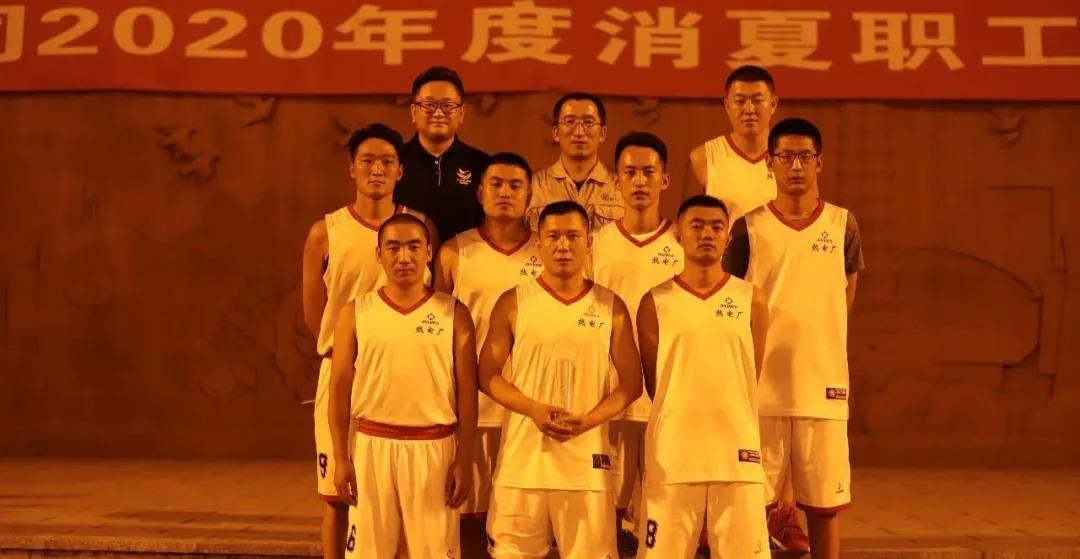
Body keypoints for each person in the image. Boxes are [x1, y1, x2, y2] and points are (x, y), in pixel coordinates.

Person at [723, 118, 865, 559]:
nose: (796, 166)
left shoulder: (843, 224)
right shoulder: (748, 228)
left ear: (819, 162)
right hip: (760, 391)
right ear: (770, 162)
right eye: (786, 156)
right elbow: (730, 301)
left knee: (824, 508)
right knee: (752, 506)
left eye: (805, 156)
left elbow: (845, 296)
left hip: (823, 389)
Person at [479, 201, 643, 558]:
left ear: (589, 242)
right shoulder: (513, 302)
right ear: (539, 243)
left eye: (573, 236)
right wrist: (532, 408)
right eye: (553, 236)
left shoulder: (610, 306)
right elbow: (486, 374)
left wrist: (590, 420)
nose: (563, 245)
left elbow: (632, 384)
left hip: (586, 466)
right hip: (523, 465)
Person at [300, 123, 426, 559]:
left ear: (400, 170)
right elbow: (315, 314)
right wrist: (347, 356)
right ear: (352, 168)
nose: (377, 169)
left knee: (403, 495)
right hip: (344, 374)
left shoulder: (419, 227)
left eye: (387, 161)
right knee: (338, 491)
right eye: (368, 161)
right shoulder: (325, 232)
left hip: (404, 377)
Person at [328, 213, 478, 558]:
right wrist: (340, 457)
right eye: (393, 248)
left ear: (428, 252)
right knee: (368, 552)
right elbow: (339, 389)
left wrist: (464, 457)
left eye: (413, 247)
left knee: (434, 552)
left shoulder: (454, 313)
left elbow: (467, 392)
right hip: (372, 446)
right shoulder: (355, 313)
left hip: (434, 448)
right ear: (378, 254)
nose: (404, 257)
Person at [636, 194, 769, 557]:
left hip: (737, 452)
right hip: (673, 455)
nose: (707, 234)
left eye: (716, 227)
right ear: (678, 234)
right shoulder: (654, 302)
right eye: (696, 226)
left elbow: (750, 373)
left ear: (728, 237)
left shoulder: (751, 298)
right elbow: (656, 383)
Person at [434, 151, 542, 554]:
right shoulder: (454, 252)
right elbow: (438, 334)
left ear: (530, 196)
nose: (505, 193)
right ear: (480, 193)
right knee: (468, 517)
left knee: (525, 526)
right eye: (496, 184)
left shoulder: (549, 251)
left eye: (515, 185)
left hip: (531, 409)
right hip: (472, 410)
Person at [590, 131, 682, 544]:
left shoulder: (682, 244)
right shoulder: (595, 244)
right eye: (630, 173)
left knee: (662, 512)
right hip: (610, 396)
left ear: (665, 179)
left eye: (649, 172)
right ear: (616, 181)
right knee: (607, 509)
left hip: (668, 397)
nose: (640, 181)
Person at [394, 66, 490, 245]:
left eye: (447, 105)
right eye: (429, 105)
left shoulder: (482, 164)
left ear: (461, 113)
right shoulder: (393, 162)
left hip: (467, 258)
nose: (438, 113)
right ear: (414, 112)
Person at [683, 65, 779, 226]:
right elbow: (688, 226)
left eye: (757, 101)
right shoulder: (703, 158)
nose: (749, 109)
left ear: (773, 104)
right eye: (740, 101)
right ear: (727, 106)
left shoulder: (791, 159)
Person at [527, 93, 623, 232]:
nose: (579, 132)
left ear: (602, 133)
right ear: (556, 133)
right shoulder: (533, 187)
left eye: (588, 122)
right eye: (569, 122)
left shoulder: (621, 189)